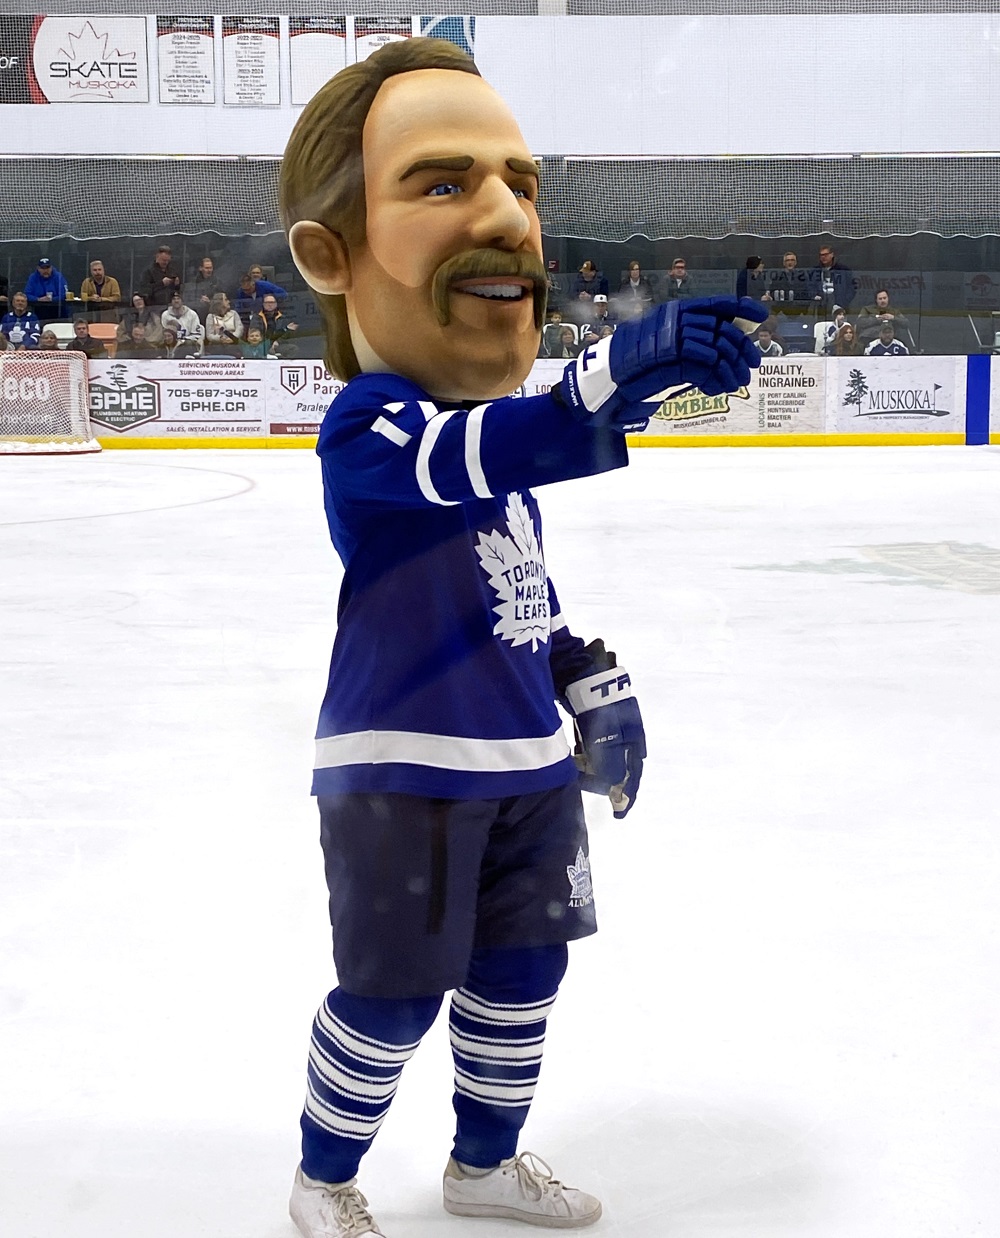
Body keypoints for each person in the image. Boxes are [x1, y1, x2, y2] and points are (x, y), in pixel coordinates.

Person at [279, 36, 767, 1238]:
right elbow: (474, 451)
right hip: (404, 775)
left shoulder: (506, 469)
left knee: (520, 980)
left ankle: (483, 1165)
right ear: (332, 256)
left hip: (527, 773)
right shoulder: (371, 426)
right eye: (443, 182)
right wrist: (600, 381)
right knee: (392, 995)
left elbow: (519, 593)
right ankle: (322, 1177)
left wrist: (586, 677)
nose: (505, 214)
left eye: (519, 183)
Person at [809, 244, 854, 314]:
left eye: (826, 254)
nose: (823, 257)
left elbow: (851, 288)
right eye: (821, 255)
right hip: (821, 306)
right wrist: (814, 295)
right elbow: (810, 286)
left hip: (840, 306)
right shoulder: (815, 271)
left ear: (832, 254)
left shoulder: (843, 270)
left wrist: (843, 302)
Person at [254, 292, 299, 356]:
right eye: (267, 303)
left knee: (293, 348)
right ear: (263, 304)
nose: (270, 305)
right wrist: (268, 343)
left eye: (272, 302)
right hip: (261, 345)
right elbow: (255, 334)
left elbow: (287, 334)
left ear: (276, 304)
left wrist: (277, 341)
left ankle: (281, 361)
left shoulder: (282, 317)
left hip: (277, 345)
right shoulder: (256, 317)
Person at [185, 256, 224, 324]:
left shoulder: (217, 282)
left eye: (210, 268)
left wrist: (210, 302)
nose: (209, 270)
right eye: (206, 268)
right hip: (196, 315)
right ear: (201, 268)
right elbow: (188, 299)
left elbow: (222, 300)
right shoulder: (194, 282)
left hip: (214, 315)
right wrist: (199, 301)